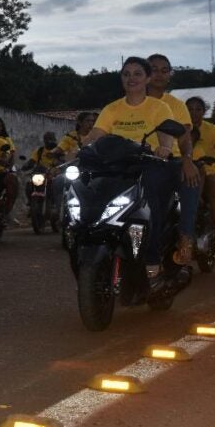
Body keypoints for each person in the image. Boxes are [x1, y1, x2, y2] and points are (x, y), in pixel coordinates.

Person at [81, 57, 175, 282]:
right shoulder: (112, 108)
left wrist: (164, 148)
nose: (131, 78)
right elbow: (97, 134)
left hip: (147, 164)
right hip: (115, 167)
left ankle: (152, 257)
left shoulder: (159, 107)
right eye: (126, 74)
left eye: (137, 74)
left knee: (151, 200)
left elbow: (166, 132)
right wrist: (80, 148)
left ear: (148, 78)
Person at [147, 54, 201, 264]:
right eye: (153, 69)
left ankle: (185, 236)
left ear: (169, 75)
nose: (159, 74)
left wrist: (187, 159)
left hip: (171, 161)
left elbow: (185, 135)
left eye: (164, 70)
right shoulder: (129, 102)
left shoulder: (176, 105)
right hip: (137, 162)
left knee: (190, 179)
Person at [186, 96, 215, 254]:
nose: (194, 112)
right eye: (190, 109)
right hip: (184, 172)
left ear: (204, 112)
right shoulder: (180, 128)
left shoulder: (213, 129)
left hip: (212, 172)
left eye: (198, 109)